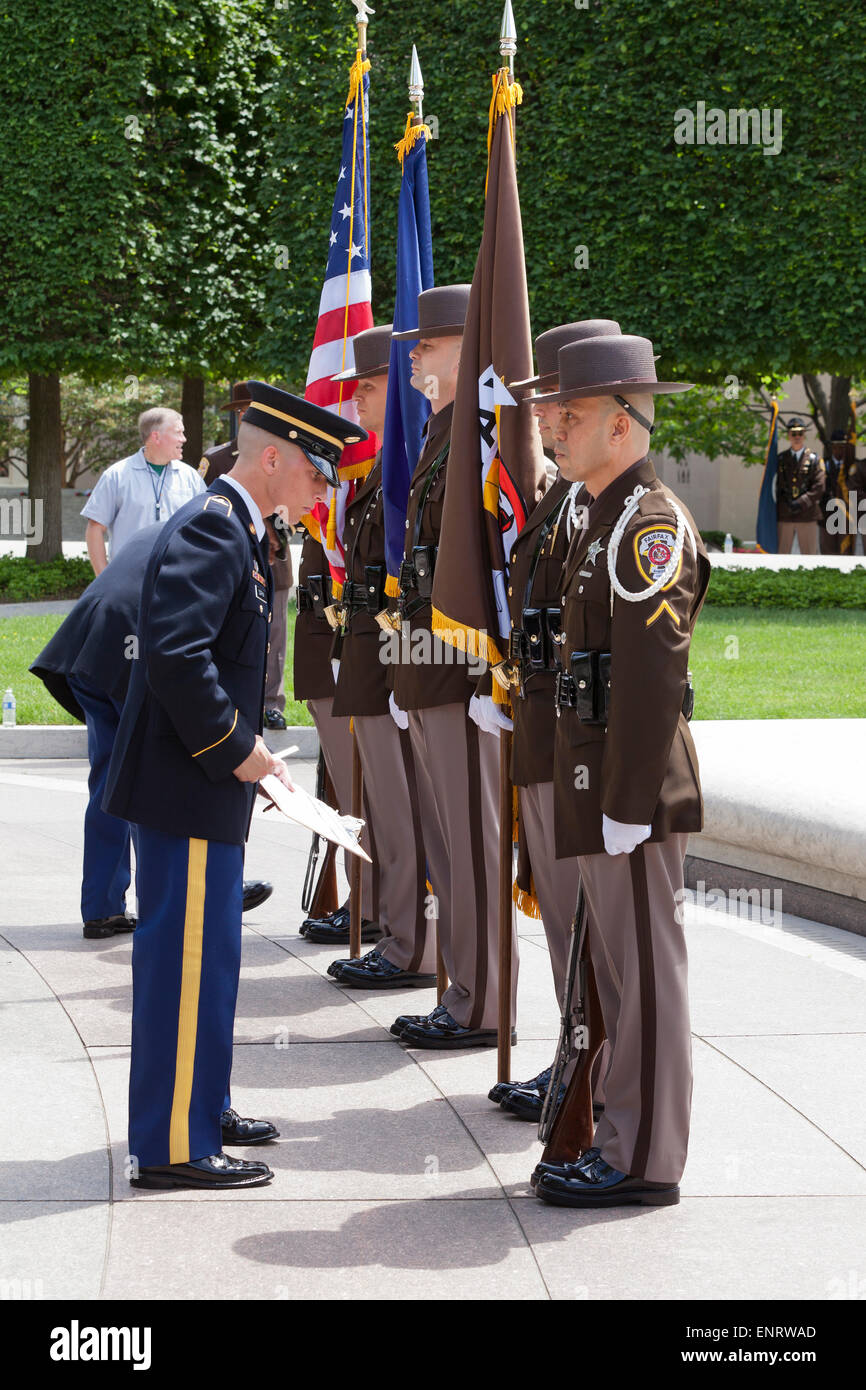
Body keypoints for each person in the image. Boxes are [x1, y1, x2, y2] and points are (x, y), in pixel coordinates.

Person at [103, 381, 363, 1192]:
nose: (325, 486)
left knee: (211, 961)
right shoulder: (217, 530)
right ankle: (173, 1146)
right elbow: (178, 658)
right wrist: (241, 750)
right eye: (318, 469)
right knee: (184, 964)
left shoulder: (238, 530)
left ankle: (200, 1106)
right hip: (188, 785)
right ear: (276, 457)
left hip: (202, 785)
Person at [530, 333, 710, 1209]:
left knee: (644, 972)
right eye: (557, 415)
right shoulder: (600, 514)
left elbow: (651, 677)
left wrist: (629, 801)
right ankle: (618, 1130)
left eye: (573, 416)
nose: (555, 430)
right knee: (616, 971)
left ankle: (644, 1158)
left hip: (629, 794)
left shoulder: (648, 524)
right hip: (596, 784)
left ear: (626, 424)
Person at [489, 319, 621, 1121]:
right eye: (545, 405)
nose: (543, 417)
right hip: (544, 728)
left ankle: (592, 1073)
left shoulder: (595, 503)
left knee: (584, 928)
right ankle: (573, 1061)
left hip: (569, 738)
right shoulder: (563, 496)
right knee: (566, 925)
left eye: (560, 407)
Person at [30, 537, 277, 941]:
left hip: (93, 646)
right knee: (151, 778)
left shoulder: (186, 528)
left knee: (112, 777)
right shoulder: (218, 541)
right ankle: (168, 899)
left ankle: (104, 906)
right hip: (128, 648)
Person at [386, 284, 516, 1050]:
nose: (414, 357)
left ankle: (483, 1002)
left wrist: (479, 679)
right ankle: (464, 989)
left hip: (463, 674)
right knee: (451, 844)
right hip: (429, 670)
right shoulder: (443, 431)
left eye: (426, 345)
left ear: (466, 347)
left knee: (472, 847)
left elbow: (487, 566)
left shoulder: (477, 433)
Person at [323, 325, 436, 989]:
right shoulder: (381, 475)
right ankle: (401, 937)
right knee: (386, 812)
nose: (355, 401)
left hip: (402, 657)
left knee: (406, 813)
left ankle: (411, 943)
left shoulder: (407, 464)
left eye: (367, 387)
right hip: (374, 657)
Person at [200, 383, 294, 728]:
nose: (245, 415)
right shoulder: (216, 459)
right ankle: (232, 697)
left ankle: (271, 701)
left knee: (275, 635)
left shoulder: (283, 454)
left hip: (274, 561)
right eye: (241, 411)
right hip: (232, 560)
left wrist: (275, 534)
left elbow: (294, 509)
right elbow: (206, 504)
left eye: (250, 409)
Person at [82, 407, 205, 574]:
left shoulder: (190, 477)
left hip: (177, 581)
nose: (183, 439)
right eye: (178, 432)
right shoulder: (116, 476)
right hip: (128, 580)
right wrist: (103, 578)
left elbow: (204, 526)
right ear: (156, 436)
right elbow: (95, 528)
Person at [776, 419, 825, 555]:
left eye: (800, 433)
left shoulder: (814, 459)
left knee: (809, 557)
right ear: (788, 435)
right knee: (781, 557)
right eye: (793, 434)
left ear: (804, 435)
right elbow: (775, 486)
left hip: (807, 515)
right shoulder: (780, 459)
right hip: (785, 514)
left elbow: (819, 487)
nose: (797, 437)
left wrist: (801, 502)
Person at [820, 430, 851, 556]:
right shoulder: (823, 464)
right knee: (828, 554)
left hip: (847, 517)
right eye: (837, 446)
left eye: (843, 446)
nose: (840, 450)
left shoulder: (852, 465)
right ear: (832, 447)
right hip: (827, 516)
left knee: (846, 555)